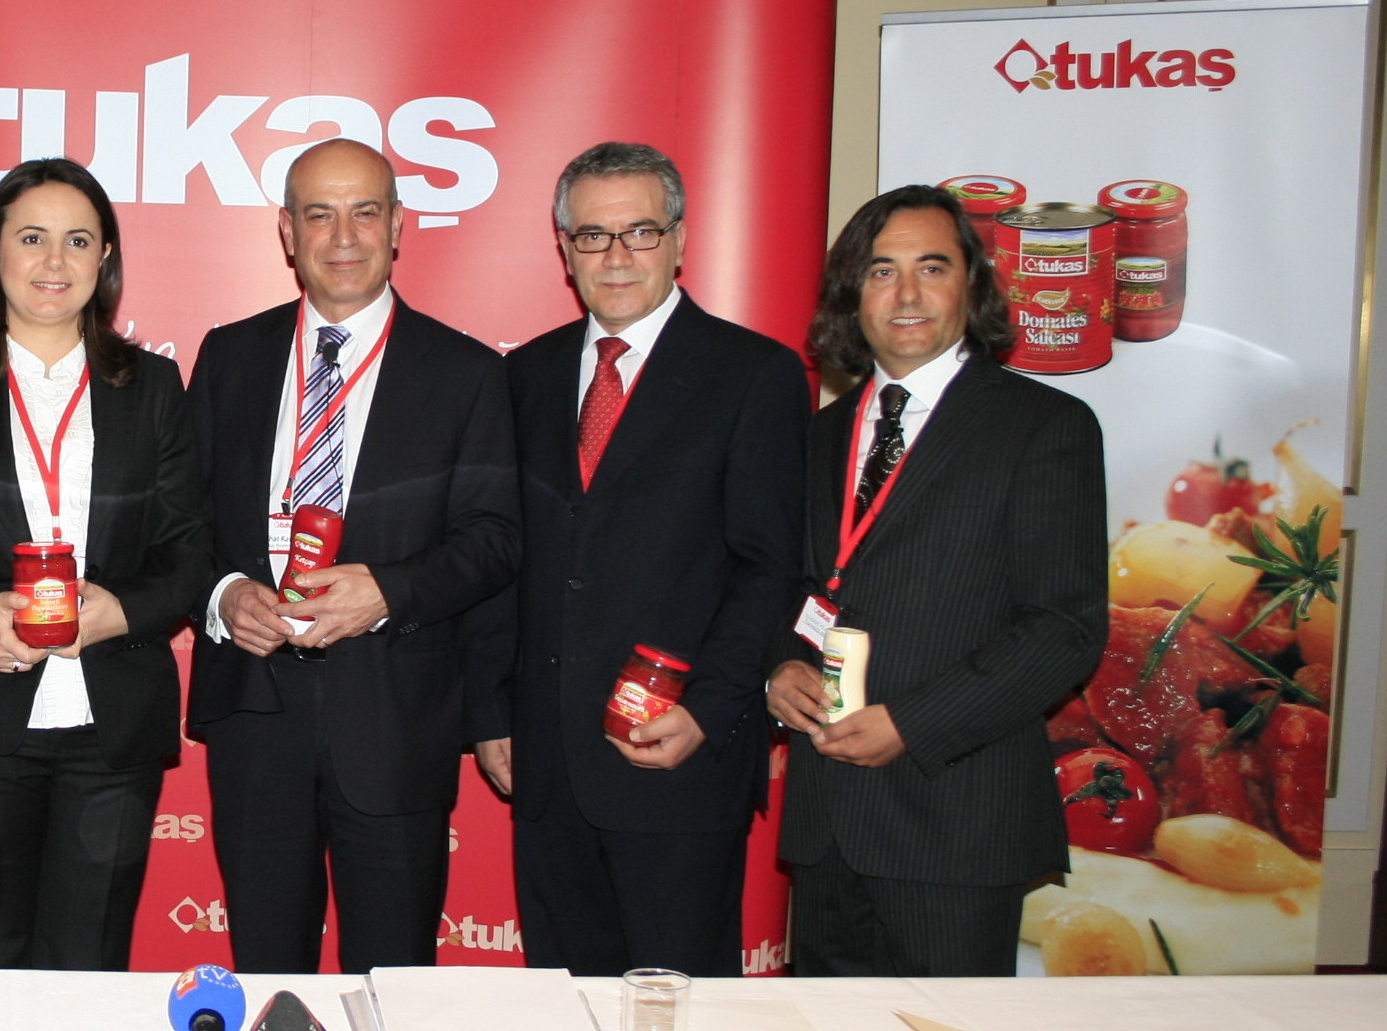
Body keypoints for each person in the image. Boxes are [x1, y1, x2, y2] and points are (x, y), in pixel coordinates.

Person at [463, 142, 807, 977]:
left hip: (675, 756)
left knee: (679, 1014)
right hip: (545, 762)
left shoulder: (753, 374)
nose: (615, 256)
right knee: (565, 1010)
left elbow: (768, 569)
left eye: (640, 232)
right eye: (592, 236)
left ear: (679, 239)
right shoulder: (522, 376)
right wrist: (492, 713)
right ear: (563, 249)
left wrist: (709, 710)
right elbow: (499, 556)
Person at [185, 138, 519, 974]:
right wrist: (224, 594)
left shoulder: (466, 373)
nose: (343, 236)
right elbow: (178, 522)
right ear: (286, 233)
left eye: (365, 212)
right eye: (319, 214)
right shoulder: (229, 355)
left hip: (394, 720)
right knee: (267, 974)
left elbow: (494, 539)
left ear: (398, 226)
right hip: (256, 713)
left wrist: (388, 591)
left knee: (393, 982)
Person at [764, 184, 1107, 977]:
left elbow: (1062, 629)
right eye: (881, 272)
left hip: (953, 820)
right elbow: (798, 585)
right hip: (826, 824)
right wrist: (778, 666)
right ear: (852, 295)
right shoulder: (819, 435)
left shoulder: (1042, 427)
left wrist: (911, 724)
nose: (907, 294)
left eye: (931, 267)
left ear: (971, 284)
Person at [0, 159, 214, 970]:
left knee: (87, 967)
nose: (54, 262)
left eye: (78, 241)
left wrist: (121, 611)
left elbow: (190, 548)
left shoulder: (152, 386)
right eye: (31, 238)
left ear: (105, 258)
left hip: (112, 724)